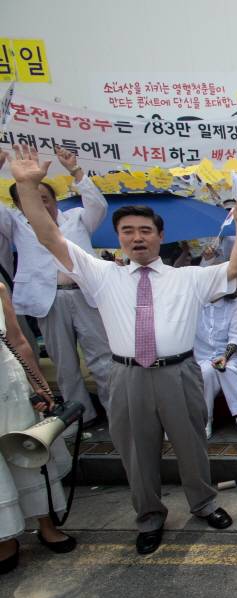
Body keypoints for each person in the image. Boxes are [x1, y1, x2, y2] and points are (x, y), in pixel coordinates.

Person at [8, 143, 237, 556]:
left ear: (160, 236)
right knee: (136, 455)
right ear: (119, 237)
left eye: (145, 231)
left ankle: (204, 503)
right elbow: (48, 237)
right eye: (128, 231)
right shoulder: (102, 275)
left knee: (191, 444)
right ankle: (150, 518)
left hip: (179, 373)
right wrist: (28, 186)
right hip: (126, 375)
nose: (137, 238)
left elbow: (233, 268)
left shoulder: (187, 278)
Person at [0, 146, 112, 428]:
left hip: (86, 295)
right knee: (64, 363)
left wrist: (75, 170)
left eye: (46, 199)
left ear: (55, 199)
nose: (42, 205)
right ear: (19, 204)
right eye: (32, 199)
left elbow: (97, 204)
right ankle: (79, 417)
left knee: (102, 357)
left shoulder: (76, 218)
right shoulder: (15, 224)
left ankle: (117, 412)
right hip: (47, 300)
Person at [0, 282, 76, 574]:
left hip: (7, 384)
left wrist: (39, 385)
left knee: (27, 450)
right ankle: (6, 538)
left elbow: (18, 341)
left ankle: (46, 525)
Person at [194, 277, 237, 441]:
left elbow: (235, 337)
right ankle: (206, 419)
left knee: (226, 369)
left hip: (233, 356)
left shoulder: (234, 306)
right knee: (206, 371)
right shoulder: (195, 306)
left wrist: (225, 357)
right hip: (203, 358)